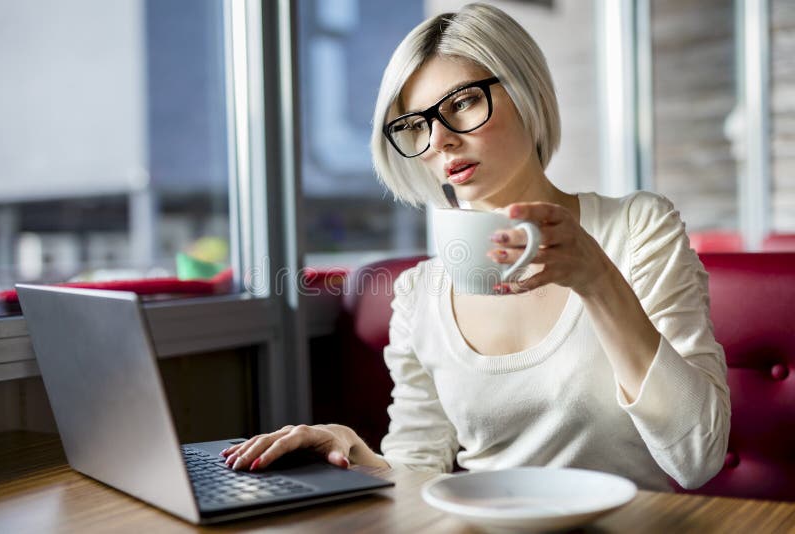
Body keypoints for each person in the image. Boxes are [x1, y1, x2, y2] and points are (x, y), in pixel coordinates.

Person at [221, 3, 730, 491]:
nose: (439, 140)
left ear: (526, 91)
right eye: (416, 124)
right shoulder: (419, 294)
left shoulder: (637, 228)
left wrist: (597, 280)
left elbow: (697, 459)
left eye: (462, 103)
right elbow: (417, 468)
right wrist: (356, 456)